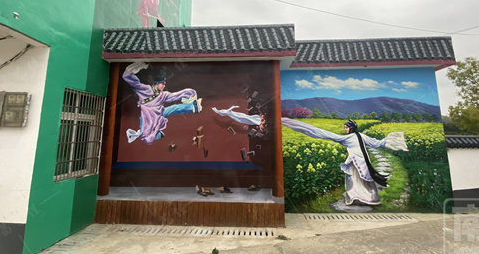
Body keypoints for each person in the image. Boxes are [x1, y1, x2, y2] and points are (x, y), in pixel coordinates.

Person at [212, 107, 407, 206]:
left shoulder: (349, 138)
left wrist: (315, 131)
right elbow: (376, 143)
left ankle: (366, 198)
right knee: (359, 181)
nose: (345, 129)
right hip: (357, 162)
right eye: (345, 127)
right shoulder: (360, 136)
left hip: (358, 162)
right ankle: (363, 198)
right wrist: (385, 142)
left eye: (346, 127)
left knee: (357, 180)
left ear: (351, 128)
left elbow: (331, 136)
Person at [123, 62, 202, 145]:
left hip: (160, 113)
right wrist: (132, 70)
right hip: (149, 117)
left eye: (164, 84)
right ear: (156, 83)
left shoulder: (163, 94)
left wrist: (190, 92)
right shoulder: (146, 89)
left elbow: (175, 95)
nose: (164, 86)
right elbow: (135, 83)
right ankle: (157, 133)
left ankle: (193, 106)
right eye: (162, 84)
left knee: (174, 108)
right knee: (146, 137)